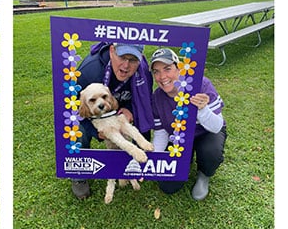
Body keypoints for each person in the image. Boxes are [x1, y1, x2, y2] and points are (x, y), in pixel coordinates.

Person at [73, 42, 154, 199]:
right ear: (111, 51)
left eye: (132, 60)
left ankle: (132, 166)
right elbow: (71, 111)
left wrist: (130, 110)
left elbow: (144, 102)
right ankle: (79, 173)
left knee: (133, 125)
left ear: (141, 59)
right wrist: (96, 132)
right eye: (122, 57)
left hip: (118, 109)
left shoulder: (143, 72)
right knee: (77, 131)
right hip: (89, 113)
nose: (126, 66)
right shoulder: (88, 72)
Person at [150, 47, 226, 200]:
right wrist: (153, 161)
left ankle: (204, 175)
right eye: (156, 71)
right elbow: (160, 132)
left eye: (167, 69)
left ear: (179, 68)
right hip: (179, 138)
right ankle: (186, 160)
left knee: (211, 152)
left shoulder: (200, 85)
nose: (162, 76)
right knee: (168, 186)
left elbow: (217, 126)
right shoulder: (157, 97)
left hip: (206, 133)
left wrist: (203, 109)